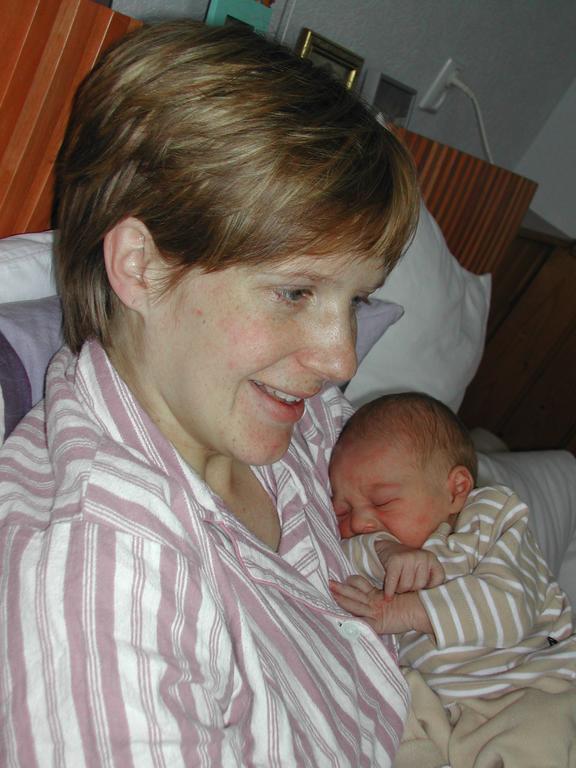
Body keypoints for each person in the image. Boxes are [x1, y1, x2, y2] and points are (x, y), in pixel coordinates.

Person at [0, 20, 421, 768]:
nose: (341, 359)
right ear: (142, 267)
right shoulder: (104, 581)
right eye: (295, 292)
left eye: (357, 301)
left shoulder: (296, 416)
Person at [329, 392, 576, 767]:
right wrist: (383, 549)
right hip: (437, 704)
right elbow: (344, 556)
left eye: (382, 502)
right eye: (343, 509)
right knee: (391, 713)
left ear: (455, 491)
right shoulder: (377, 550)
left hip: (527, 687)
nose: (360, 522)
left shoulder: (492, 522)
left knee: (533, 743)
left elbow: (508, 611)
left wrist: (407, 611)